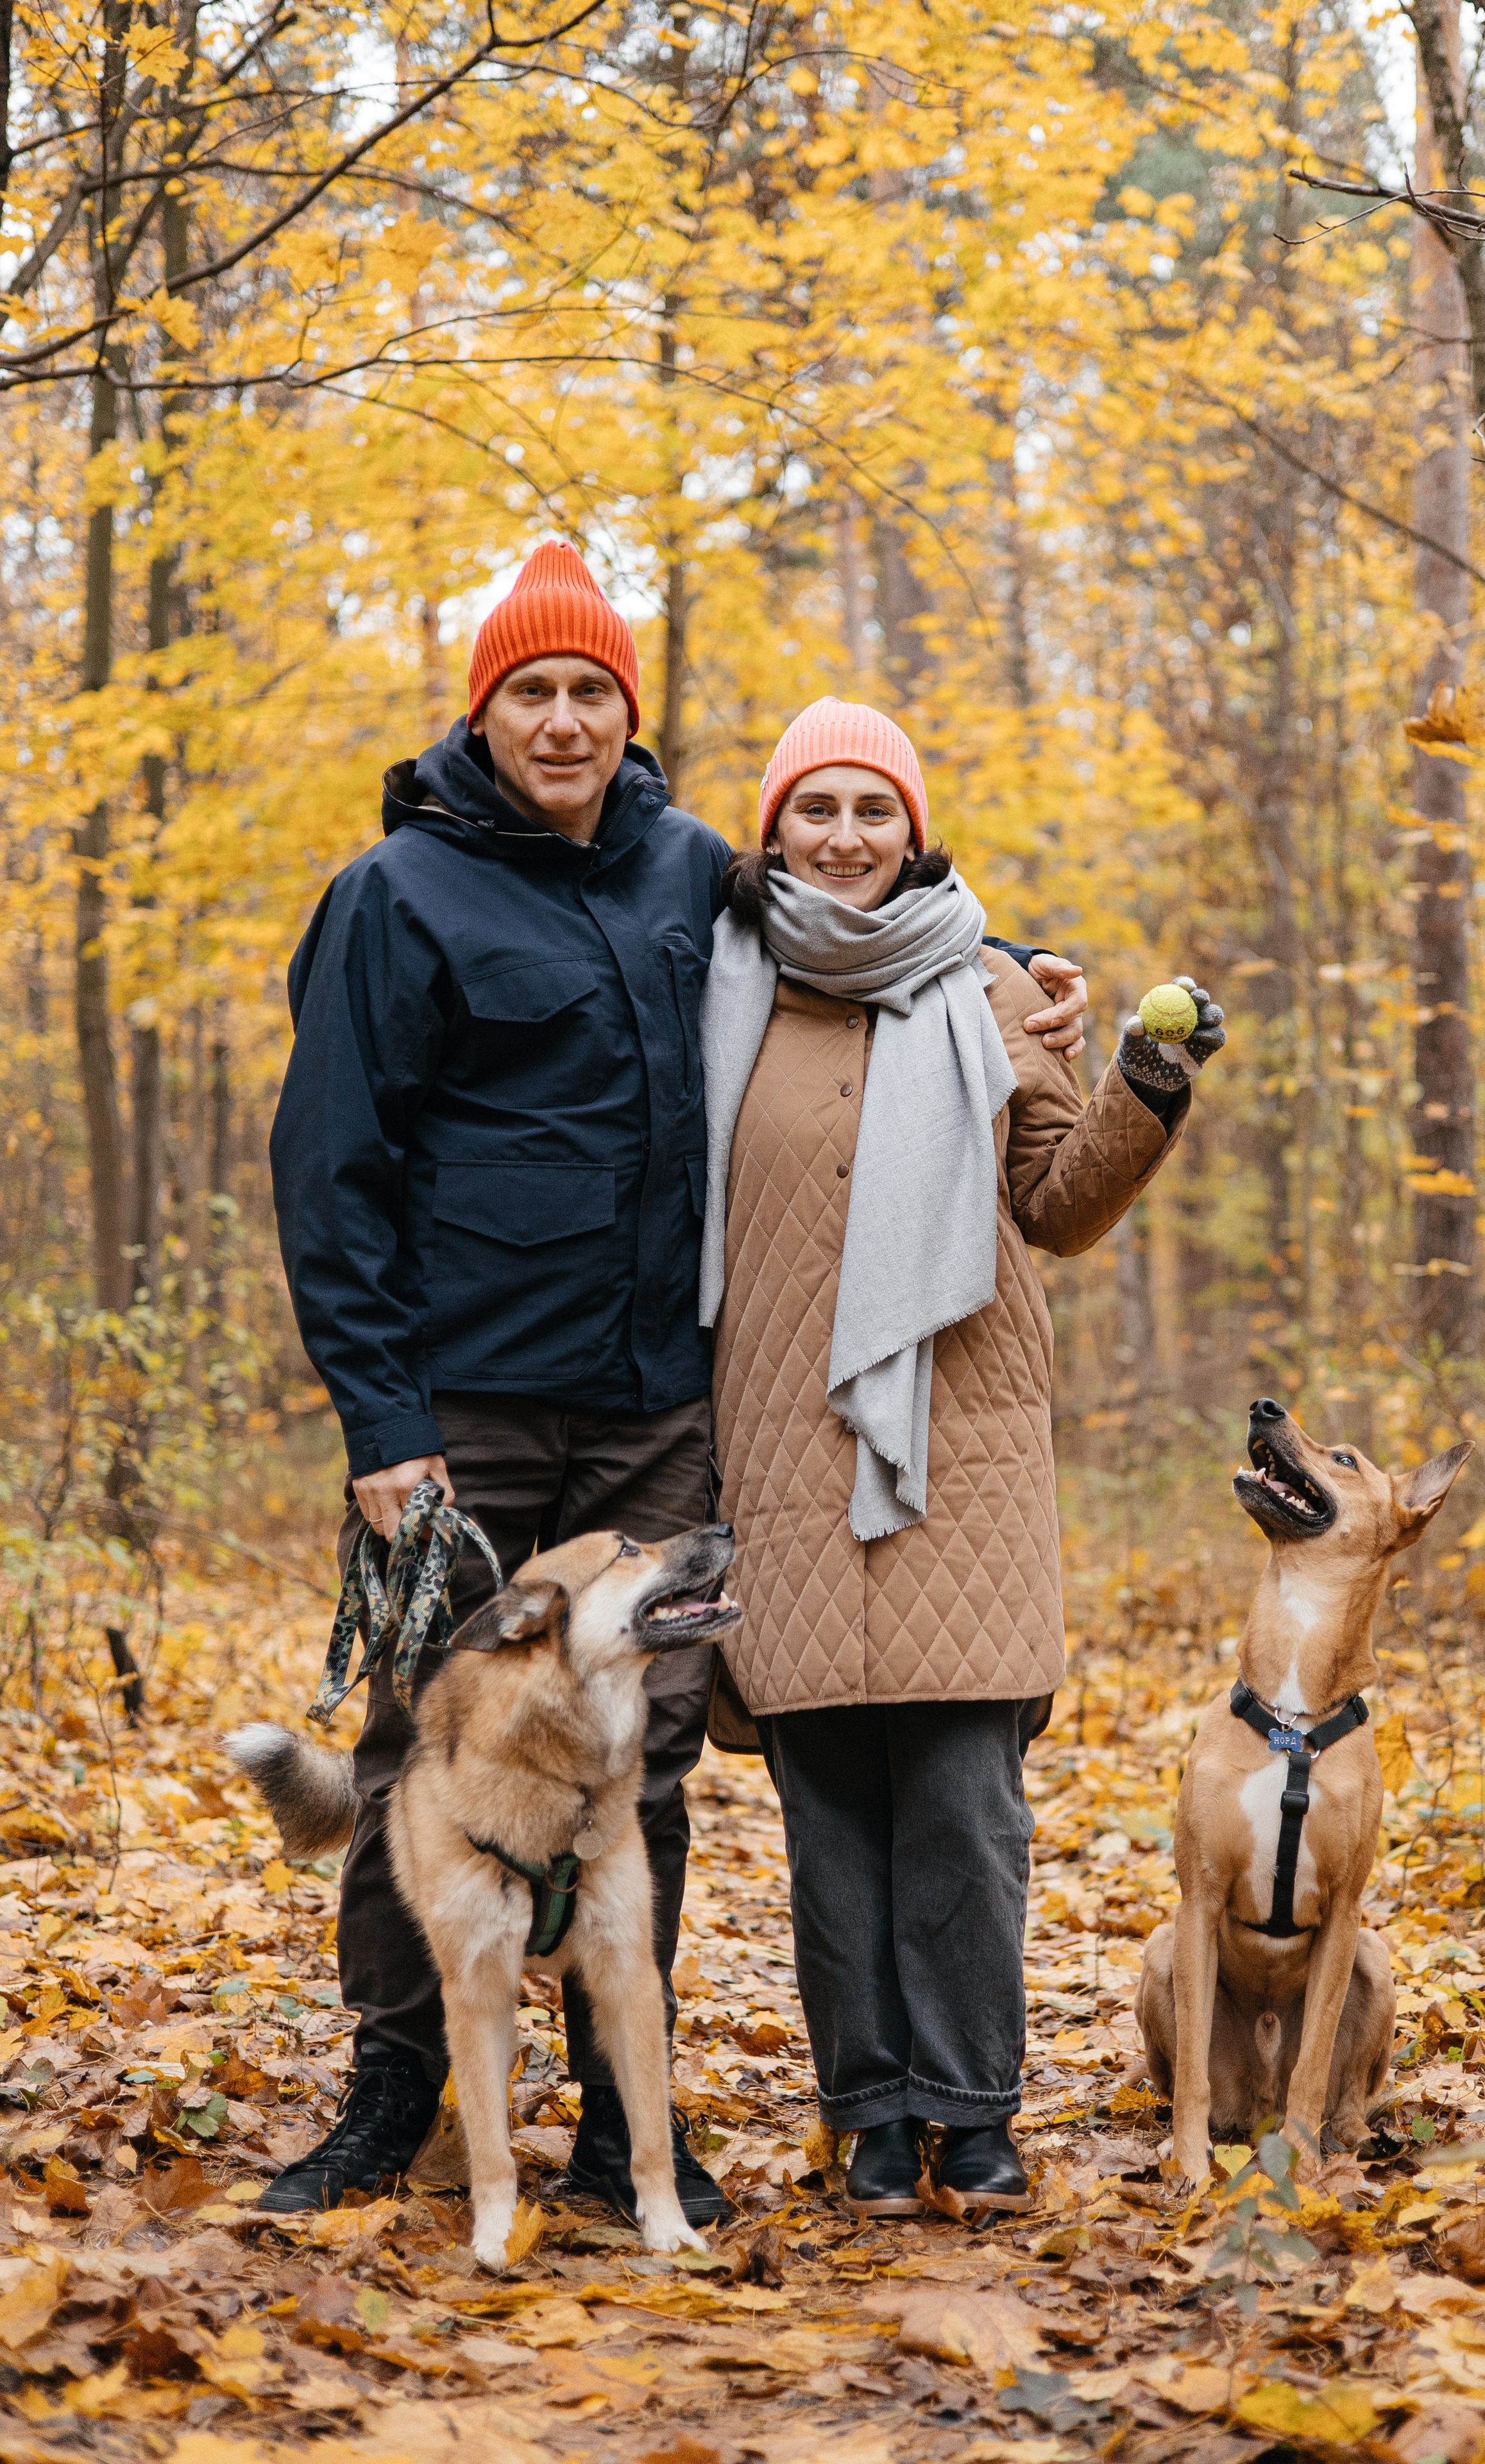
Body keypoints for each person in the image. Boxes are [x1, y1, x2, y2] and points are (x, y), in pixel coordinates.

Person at [264, 550, 1091, 2220]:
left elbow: (852, 901)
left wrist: (1017, 964)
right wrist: (386, 1431)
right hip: (473, 1405)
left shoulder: (685, 874)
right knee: (432, 1745)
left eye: (591, 692)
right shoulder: (396, 896)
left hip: (656, 1412)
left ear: (626, 715)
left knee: (637, 1768)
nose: (563, 720)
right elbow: (332, 1175)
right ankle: (392, 2087)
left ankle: (612, 2121)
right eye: (531, 691)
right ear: (481, 708)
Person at [698, 697, 1225, 2216]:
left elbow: (1058, 1203)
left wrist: (1141, 1083)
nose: (847, 835)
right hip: (786, 1450)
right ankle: (867, 2110)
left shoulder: (993, 989)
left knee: (962, 1810)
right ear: (775, 827)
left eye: (875, 807)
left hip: (965, 1456)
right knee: (828, 1819)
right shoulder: (728, 995)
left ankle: (972, 2113)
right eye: (817, 808)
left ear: (913, 827)